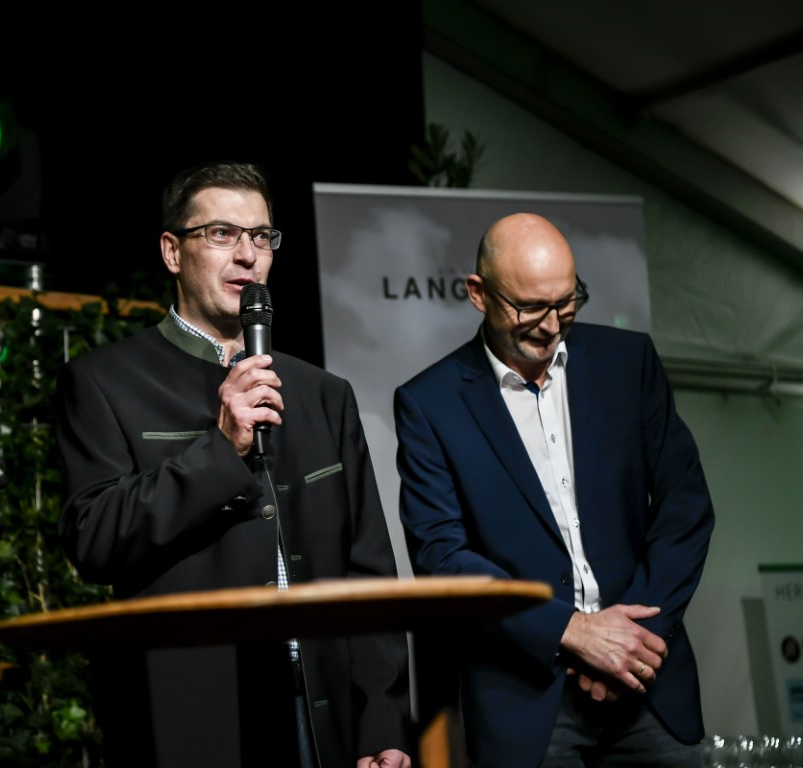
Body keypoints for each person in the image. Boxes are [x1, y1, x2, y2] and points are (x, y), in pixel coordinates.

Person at [56, 161, 414, 768]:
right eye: (221, 234)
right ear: (172, 251)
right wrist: (221, 451)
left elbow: (370, 573)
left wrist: (383, 722)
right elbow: (93, 540)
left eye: (261, 236)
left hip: (324, 715)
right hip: (195, 717)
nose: (247, 255)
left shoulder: (324, 394)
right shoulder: (104, 383)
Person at [393, 212, 715, 768]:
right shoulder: (429, 404)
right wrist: (572, 632)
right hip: (526, 702)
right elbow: (441, 557)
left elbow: (684, 509)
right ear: (478, 293)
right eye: (530, 308)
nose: (550, 325)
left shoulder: (628, 362)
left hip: (648, 681)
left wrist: (633, 643)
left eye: (566, 304)